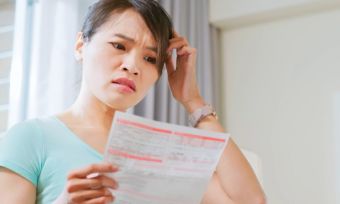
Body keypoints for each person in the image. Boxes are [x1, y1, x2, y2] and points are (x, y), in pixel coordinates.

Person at [0, 0, 266, 203]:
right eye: (119, 46)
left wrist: (193, 100)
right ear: (81, 45)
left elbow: (250, 201)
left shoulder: (164, 152)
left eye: (150, 59)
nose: (132, 66)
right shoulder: (30, 138)